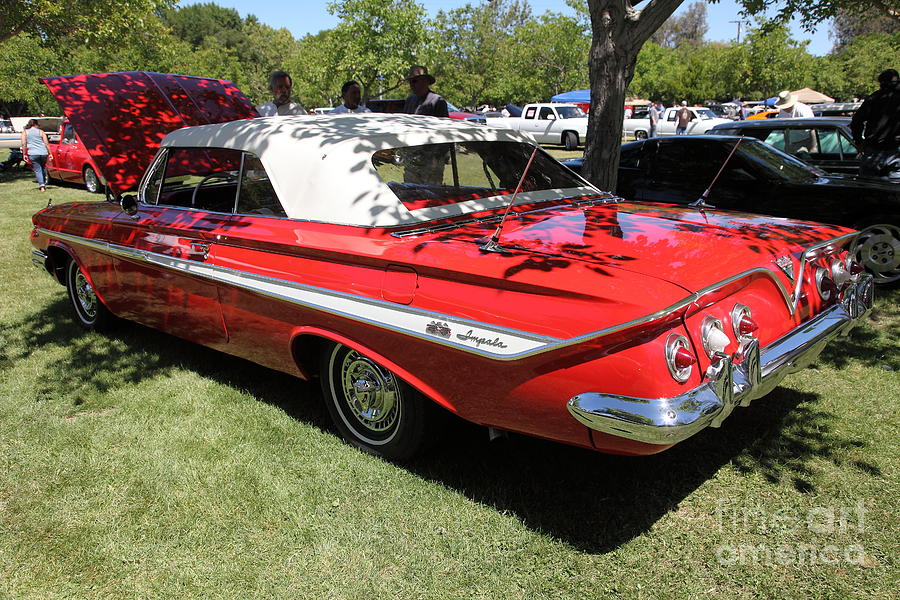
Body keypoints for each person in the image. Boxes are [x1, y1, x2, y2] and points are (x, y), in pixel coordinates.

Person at [851, 68, 900, 181]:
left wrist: (858, 141)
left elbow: (857, 121)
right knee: (896, 189)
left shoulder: (874, 98)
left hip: (874, 149)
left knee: (869, 189)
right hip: (895, 149)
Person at [20, 119, 52, 191]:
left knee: (38, 169)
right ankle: (44, 183)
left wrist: (24, 154)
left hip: (33, 153)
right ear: (36, 124)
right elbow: (46, 143)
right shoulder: (41, 132)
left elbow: (23, 144)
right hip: (43, 153)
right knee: (43, 168)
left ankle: (42, 185)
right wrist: (50, 153)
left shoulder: (25, 132)